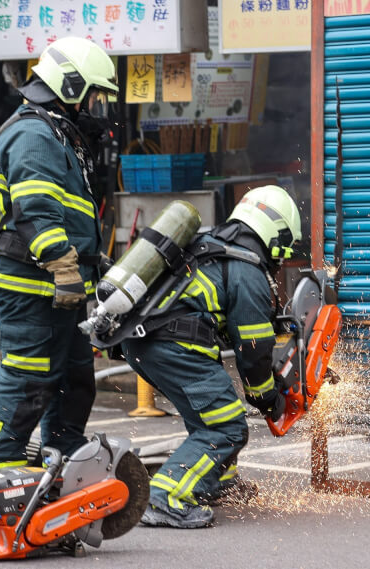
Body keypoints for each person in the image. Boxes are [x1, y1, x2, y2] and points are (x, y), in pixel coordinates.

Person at [0, 37, 118, 476]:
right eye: (90, 93)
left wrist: (93, 265)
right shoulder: (33, 133)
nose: (93, 105)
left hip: (61, 283)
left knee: (75, 378)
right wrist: (63, 265)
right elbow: (37, 210)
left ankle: (64, 454)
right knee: (29, 376)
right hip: (31, 283)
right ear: (70, 85)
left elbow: (73, 213)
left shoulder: (58, 132)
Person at [122, 184, 302, 528]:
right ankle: (165, 497)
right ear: (275, 235)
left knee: (210, 415)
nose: (279, 262)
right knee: (228, 426)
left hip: (144, 342)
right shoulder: (247, 270)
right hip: (174, 345)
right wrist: (266, 397)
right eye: (282, 252)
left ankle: (215, 481)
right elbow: (253, 349)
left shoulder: (211, 245)